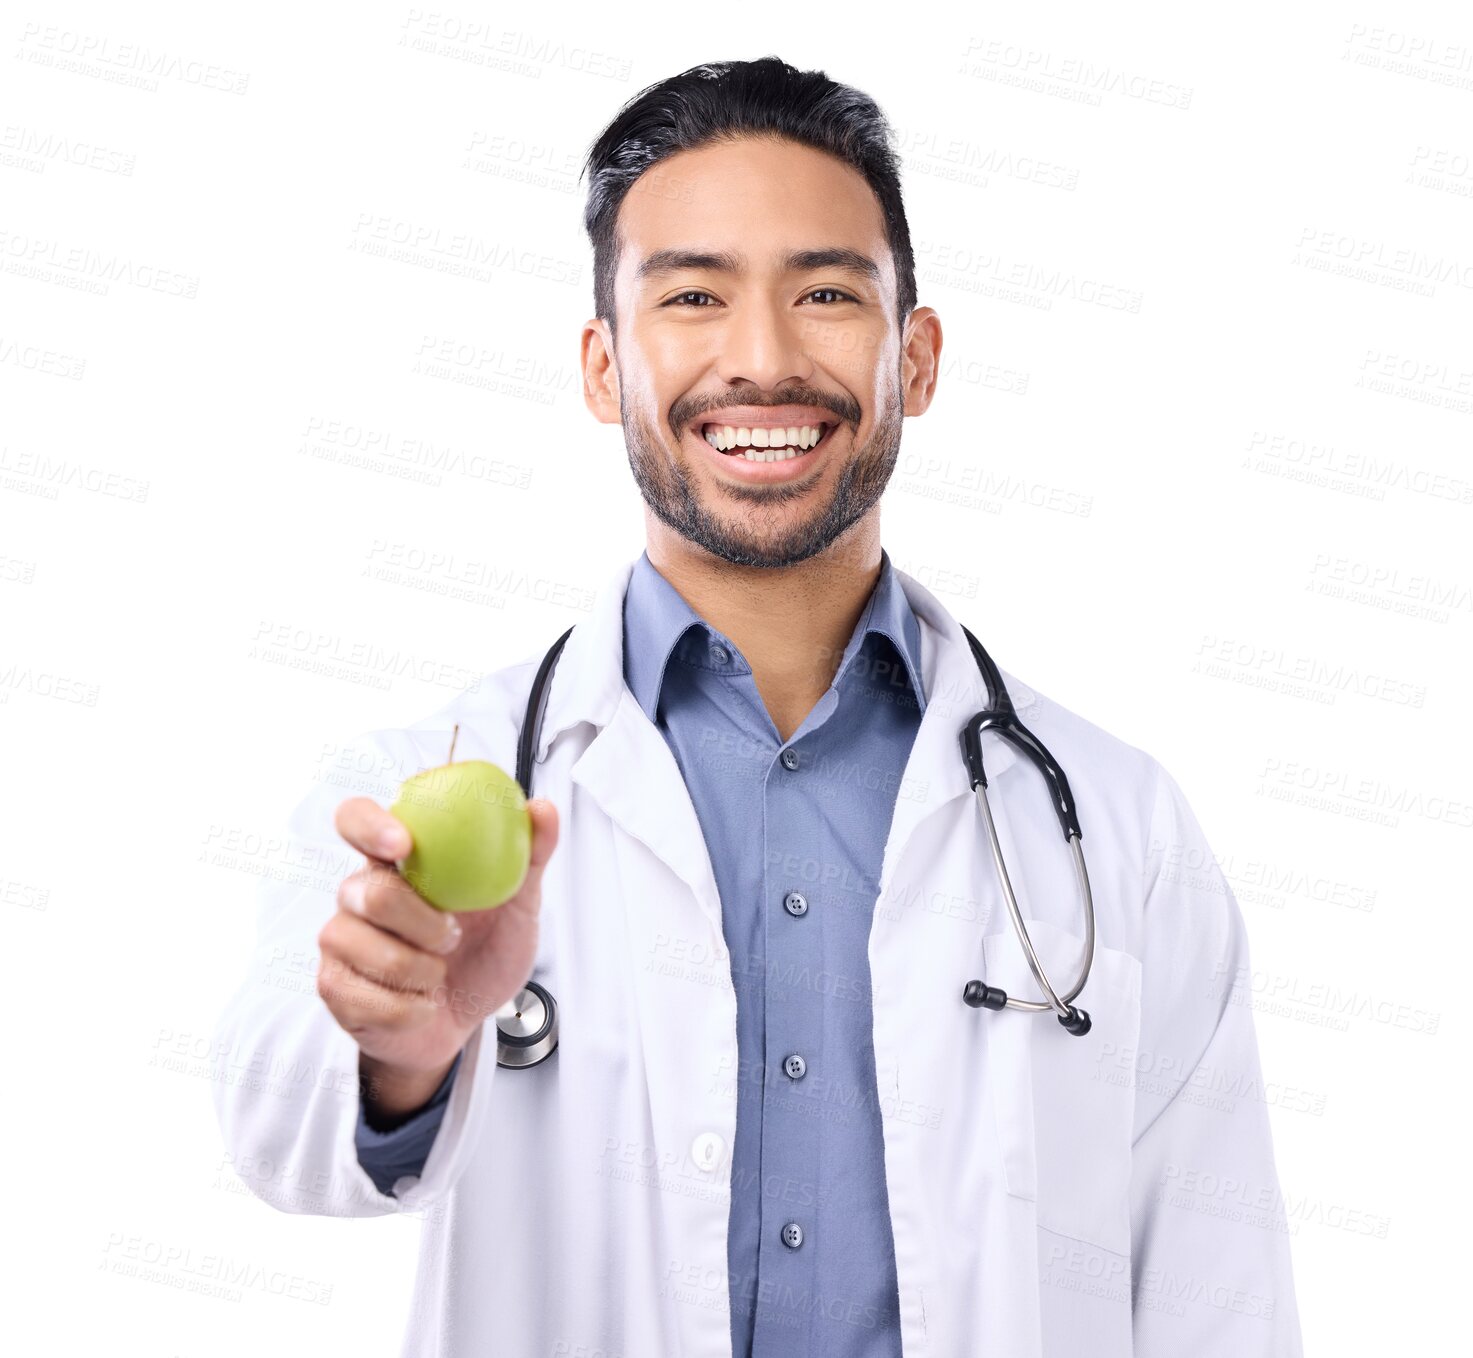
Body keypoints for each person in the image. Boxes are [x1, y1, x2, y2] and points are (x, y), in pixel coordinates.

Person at [212, 56, 1304, 1357]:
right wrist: (404, 1051)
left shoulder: (1114, 827)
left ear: (918, 352)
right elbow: (278, 1136)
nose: (765, 359)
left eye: (826, 292)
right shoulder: (417, 790)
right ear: (602, 366)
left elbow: (1216, 1296)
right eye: (691, 297)